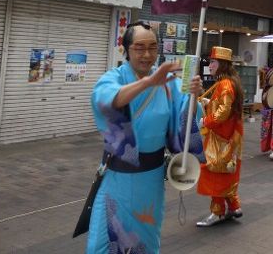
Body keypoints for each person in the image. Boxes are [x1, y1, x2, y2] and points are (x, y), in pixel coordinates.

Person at [87, 21, 203, 254]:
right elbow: (106, 99)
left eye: (152, 47)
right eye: (139, 48)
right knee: (103, 243)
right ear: (125, 50)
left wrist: (193, 97)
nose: (147, 54)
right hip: (116, 177)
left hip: (150, 179)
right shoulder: (114, 78)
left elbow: (185, 118)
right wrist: (148, 83)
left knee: (146, 240)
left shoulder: (170, 84)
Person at [196, 46, 245, 226]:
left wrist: (205, 122)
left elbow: (223, 112)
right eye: (210, 61)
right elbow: (227, 107)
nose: (210, 65)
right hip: (231, 136)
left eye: (214, 61)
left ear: (222, 64)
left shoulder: (224, 84)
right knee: (225, 174)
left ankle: (217, 212)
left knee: (213, 173)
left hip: (220, 138)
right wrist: (211, 102)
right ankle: (234, 206)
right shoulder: (230, 82)